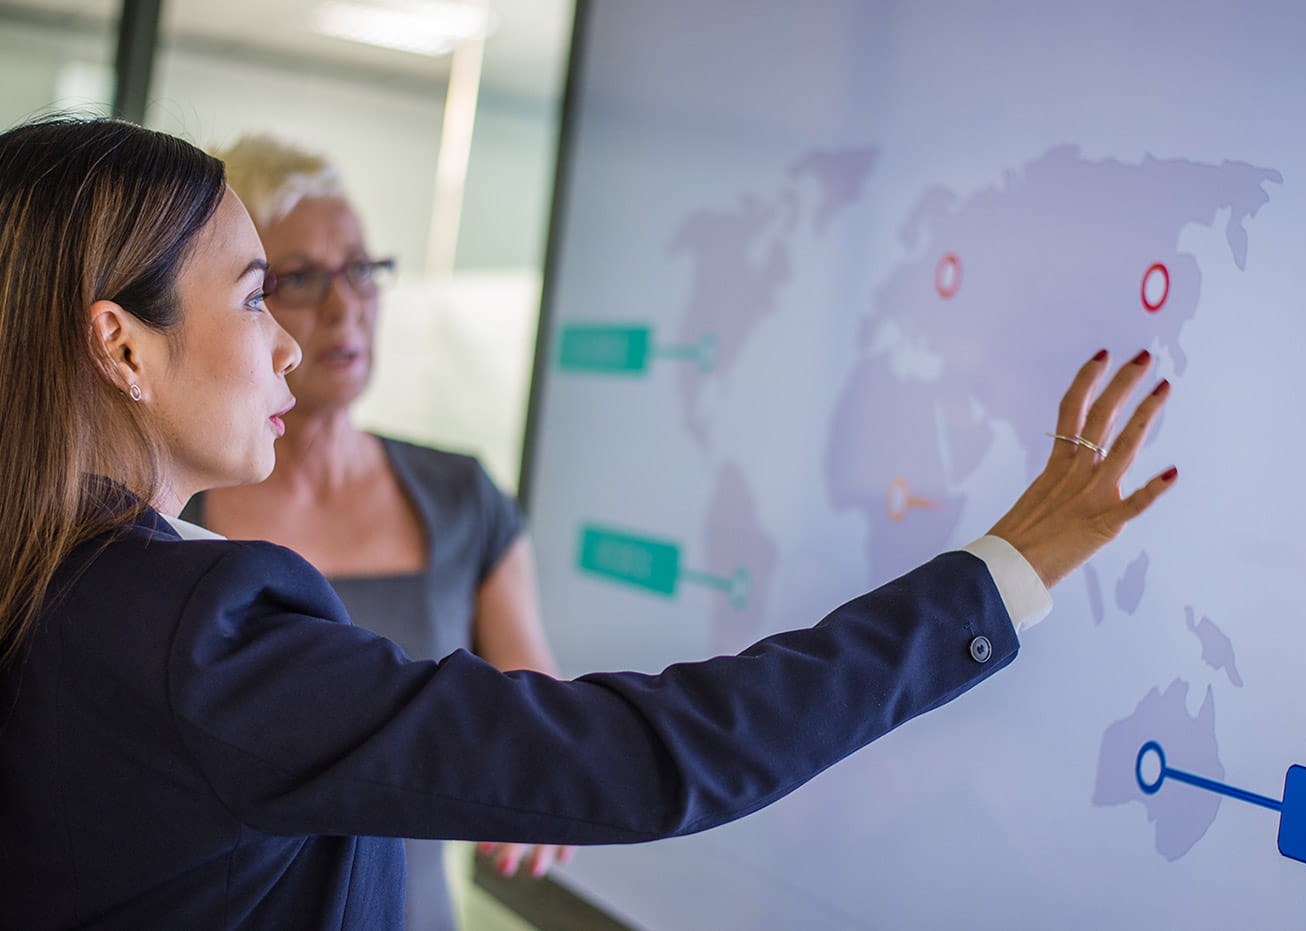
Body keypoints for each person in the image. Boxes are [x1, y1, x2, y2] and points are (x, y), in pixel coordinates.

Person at [0, 117, 1176, 930]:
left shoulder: (51, 583)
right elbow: (635, 756)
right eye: (260, 293)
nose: (294, 343)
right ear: (122, 346)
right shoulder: (195, 631)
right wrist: (996, 576)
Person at [175, 135, 567, 926]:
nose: (343, 305)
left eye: (360, 269)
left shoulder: (463, 497)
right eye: (298, 278)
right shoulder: (176, 508)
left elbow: (539, 721)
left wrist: (547, 786)